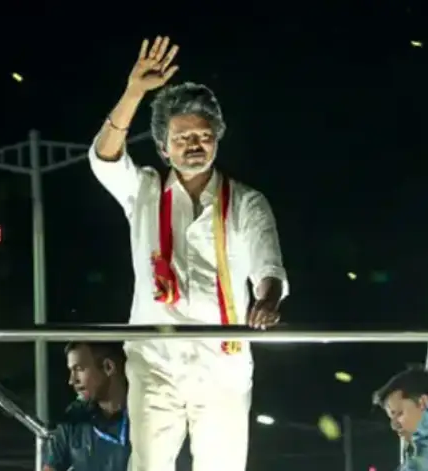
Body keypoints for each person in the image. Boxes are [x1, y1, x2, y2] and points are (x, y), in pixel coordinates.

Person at [88, 35, 289, 471]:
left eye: (204, 136)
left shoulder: (247, 202)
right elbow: (104, 159)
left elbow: (268, 267)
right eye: (182, 138)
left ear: (217, 140)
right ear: (163, 148)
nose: (195, 144)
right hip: (155, 363)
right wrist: (134, 92)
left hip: (223, 365)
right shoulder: (144, 190)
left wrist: (268, 300)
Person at [43, 342, 130, 471]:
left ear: (108, 367)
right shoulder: (74, 417)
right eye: (71, 371)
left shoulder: (148, 413)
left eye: (79, 369)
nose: (72, 380)